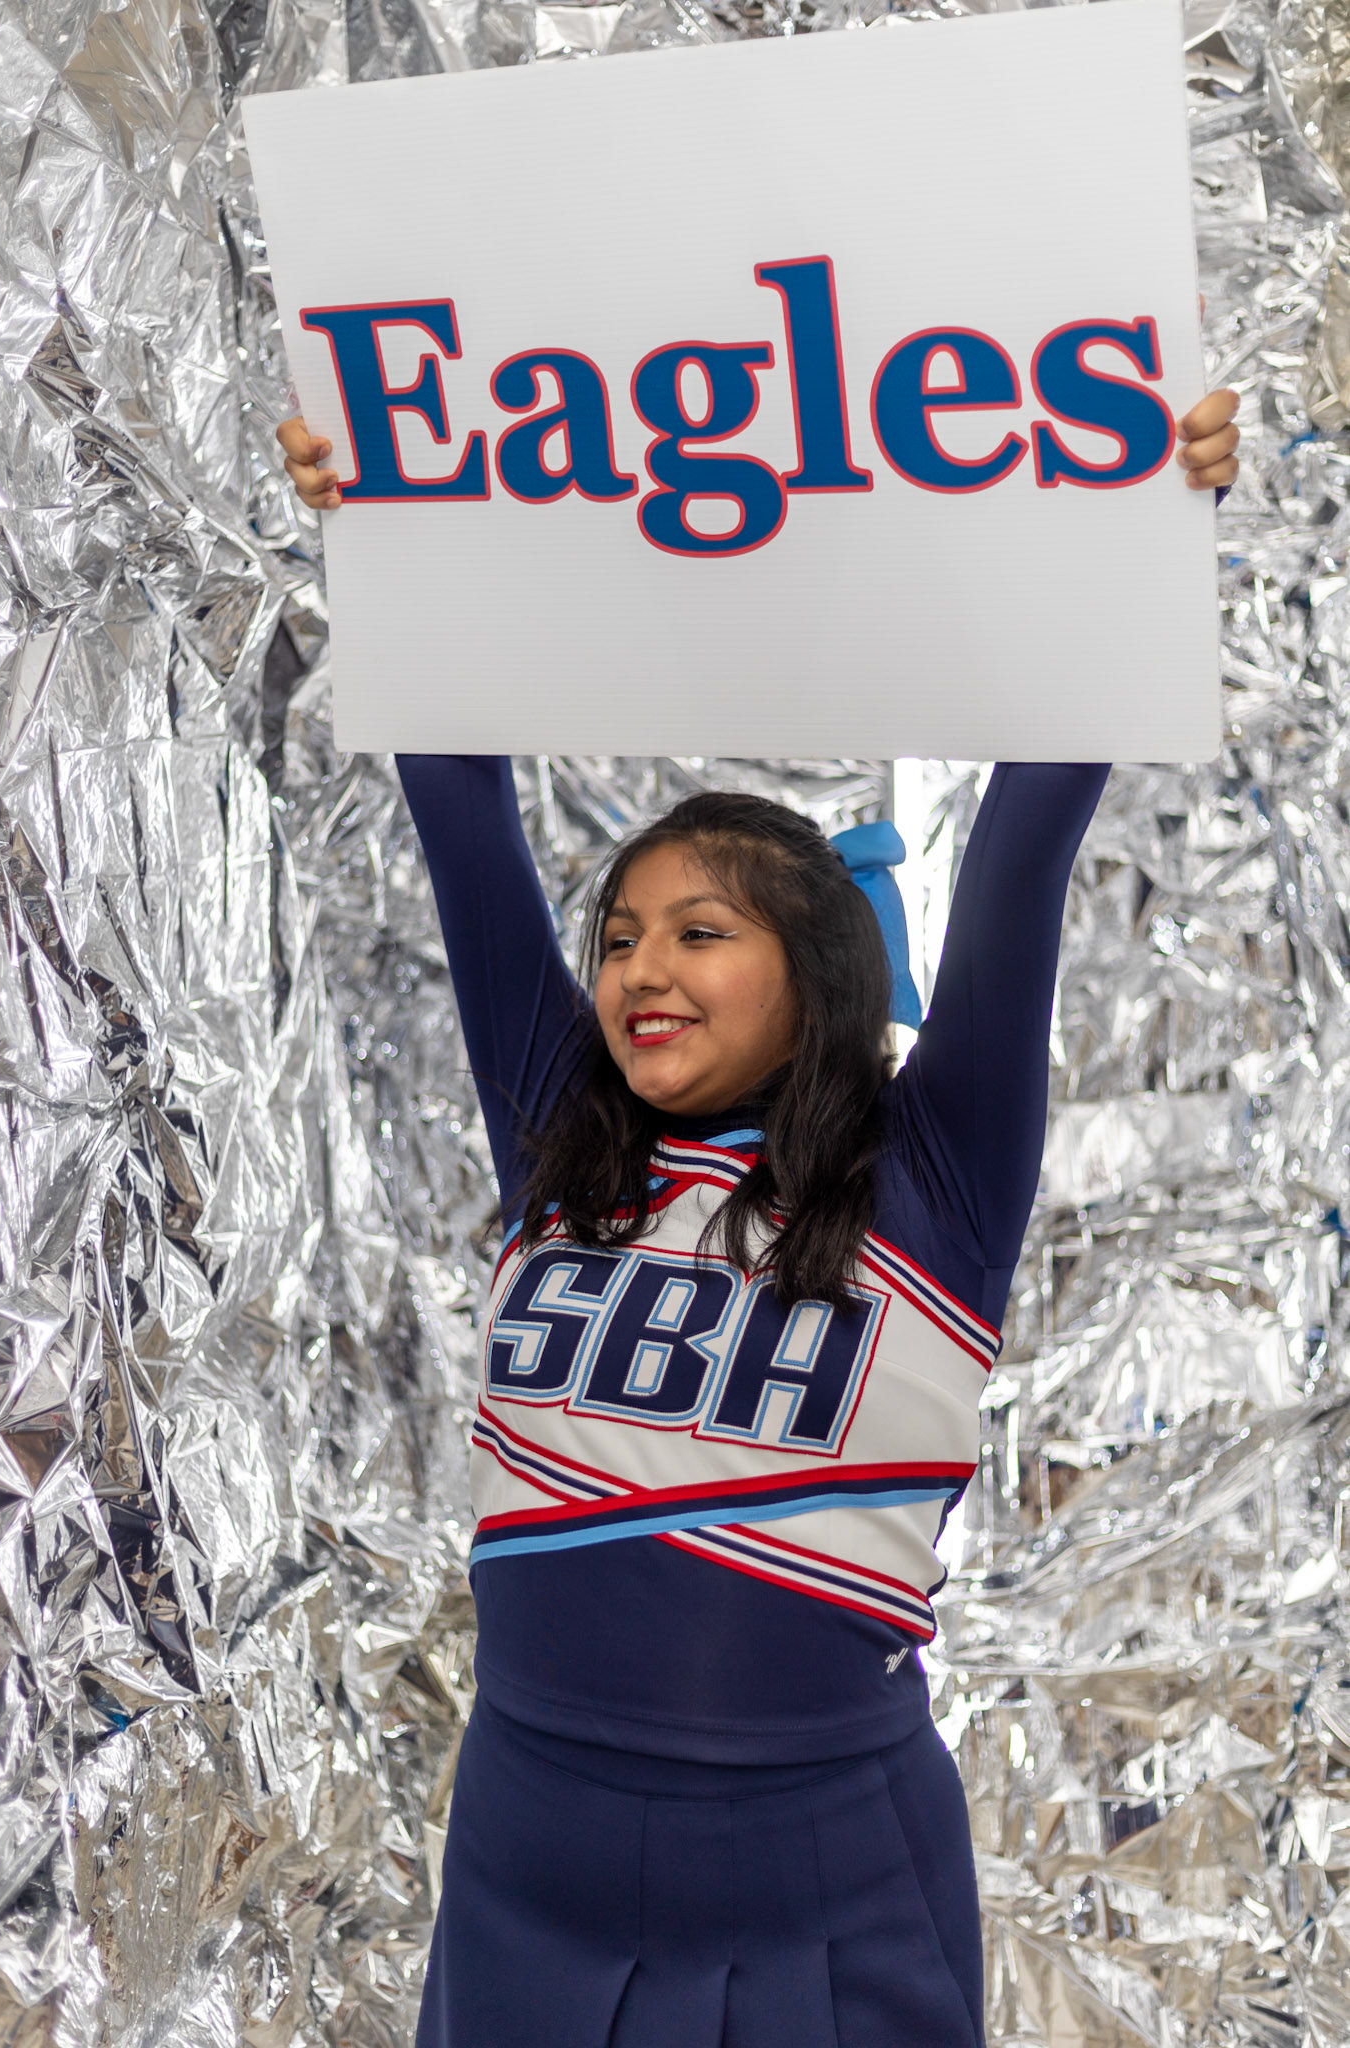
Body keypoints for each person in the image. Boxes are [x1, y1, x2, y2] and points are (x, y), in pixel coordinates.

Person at [277, 392, 1239, 2047]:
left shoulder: (933, 1171)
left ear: (817, 965)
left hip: (824, 1865)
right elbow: (456, 804)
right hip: (528, 1844)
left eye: (700, 930)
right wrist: (375, 530)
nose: (642, 968)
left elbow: (1023, 843)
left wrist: (1145, 520)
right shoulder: (559, 1147)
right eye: (623, 935)